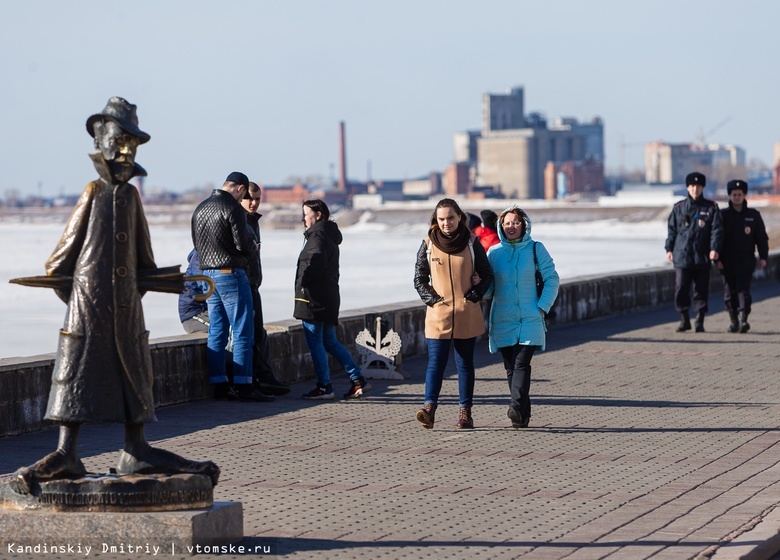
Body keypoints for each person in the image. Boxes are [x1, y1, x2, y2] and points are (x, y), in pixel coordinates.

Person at [11, 97, 218, 494]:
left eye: (133, 143)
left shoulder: (131, 198)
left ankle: (135, 451)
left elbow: (143, 262)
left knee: (134, 385)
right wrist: (84, 304)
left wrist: (164, 281)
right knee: (76, 381)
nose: (126, 150)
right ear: (101, 140)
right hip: (88, 318)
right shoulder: (94, 192)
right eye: (120, 140)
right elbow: (59, 264)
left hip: (126, 318)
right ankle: (66, 452)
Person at [413, 198, 493, 430]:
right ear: (435, 221)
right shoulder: (428, 244)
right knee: (436, 362)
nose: (446, 223)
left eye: (450, 218)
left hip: (466, 311)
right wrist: (434, 301)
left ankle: (465, 413)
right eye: (441, 219)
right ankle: (429, 409)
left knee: (464, 364)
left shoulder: (471, 243)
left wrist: (474, 296)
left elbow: (487, 275)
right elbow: (419, 279)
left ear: (459, 218)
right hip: (438, 314)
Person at [191, 171, 267, 402]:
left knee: (217, 330)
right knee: (243, 330)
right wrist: (252, 246)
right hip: (231, 274)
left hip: (208, 276)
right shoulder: (233, 208)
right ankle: (244, 385)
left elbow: (196, 244)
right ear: (241, 188)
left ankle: (220, 385)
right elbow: (241, 243)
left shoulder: (200, 208)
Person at [487, 206, 559, 428]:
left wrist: (542, 307)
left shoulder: (536, 249)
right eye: (507, 223)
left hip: (530, 317)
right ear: (501, 226)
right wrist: (477, 282)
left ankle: (515, 406)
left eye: (516, 222)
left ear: (524, 225)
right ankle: (522, 414)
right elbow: (490, 289)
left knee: (521, 362)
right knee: (511, 367)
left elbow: (552, 279)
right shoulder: (494, 253)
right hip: (503, 318)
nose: (511, 227)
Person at [294, 199, 371, 400]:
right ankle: (358, 380)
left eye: (306, 213)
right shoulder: (327, 234)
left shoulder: (317, 236)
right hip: (328, 296)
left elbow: (316, 260)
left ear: (318, 215)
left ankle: (324, 386)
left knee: (316, 343)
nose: (303, 218)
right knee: (330, 341)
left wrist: (303, 281)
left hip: (314, 299)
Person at [241, 182, 290, 395]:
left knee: (259, 334)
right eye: (250, 199)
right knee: (249, 335)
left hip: (253, 285)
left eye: (258, 199)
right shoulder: (239, 220)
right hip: (242, 285)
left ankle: (264, 377)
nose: (254, 203)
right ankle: (251, 380)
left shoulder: (253, 221)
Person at [665, 171, 723, 332]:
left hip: (702, 256)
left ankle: (699, 320)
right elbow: (672, 230)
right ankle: (684, 319)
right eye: (692, 186)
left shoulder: (711, 208)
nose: (695, 189)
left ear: (702, 187)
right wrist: (669, 248)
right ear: (687, 187)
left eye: (698, 186)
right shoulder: (679, 208)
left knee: (701, 289)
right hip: (682, 255)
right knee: (681, 288)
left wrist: (714, 249)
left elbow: (716, 230)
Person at [716, 179, 769, 333]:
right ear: (730, 196)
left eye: (739, 194)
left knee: (743, 291)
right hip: (727, 262)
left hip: (746, 260)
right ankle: (733, 321)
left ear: (744, 195)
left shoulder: (753, 215)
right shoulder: (723, 216)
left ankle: (743, 319)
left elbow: (761, 238)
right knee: (730, 292)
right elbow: (716, 238)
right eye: (734, 194)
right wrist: (717, 259)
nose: (737, 197)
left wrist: (763, 257)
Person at [179, 248, 209, 334]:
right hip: (195, 315)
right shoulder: (199, 256)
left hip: (209, 312)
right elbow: (205, 284)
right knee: (227, 328)